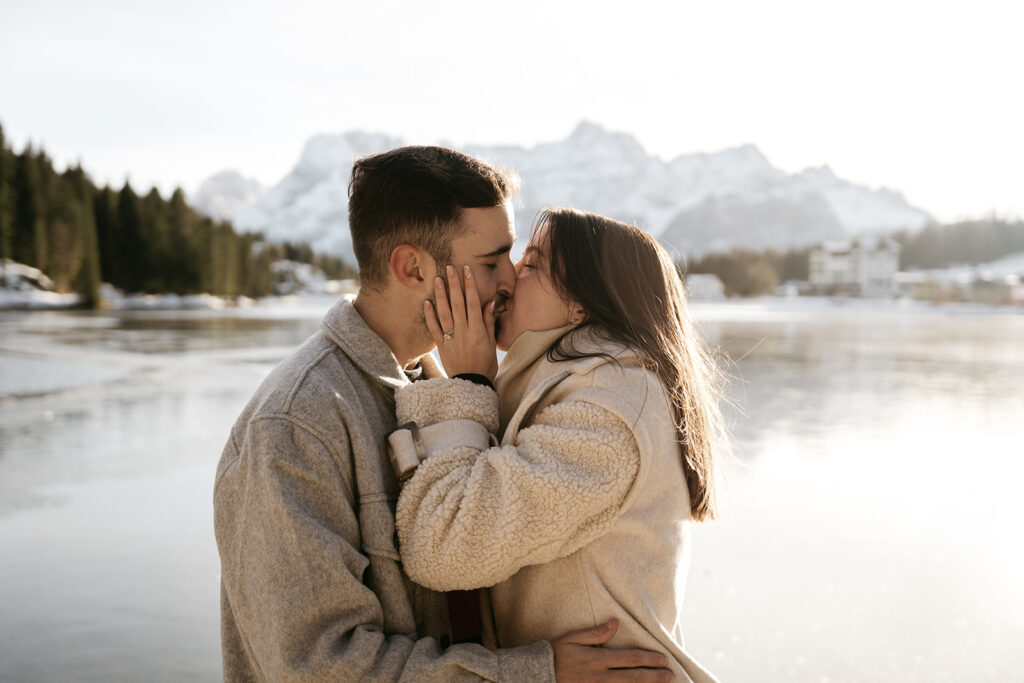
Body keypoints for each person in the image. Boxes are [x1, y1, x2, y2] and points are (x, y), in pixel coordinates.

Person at [213, 147, 673, 682]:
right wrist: (536, 675)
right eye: (490, 261)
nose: (511, 278)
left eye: (517, 256)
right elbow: (319, 667)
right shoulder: (296, 424)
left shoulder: (448, 389)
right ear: (412, 268)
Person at [389, 208, 726, 682]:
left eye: (531, 266)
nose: (507, 280)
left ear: (582, 304)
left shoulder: (608, 412)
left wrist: (467, 382)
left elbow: (445, 547)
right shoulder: (568, 387)